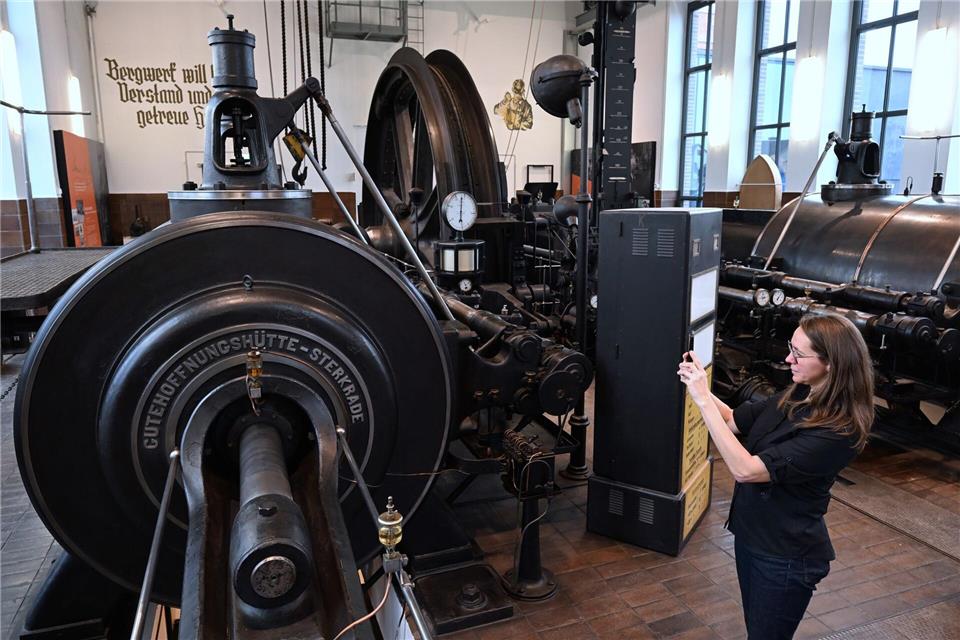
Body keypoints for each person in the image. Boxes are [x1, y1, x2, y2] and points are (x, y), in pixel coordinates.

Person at [677, 314, 874, 640]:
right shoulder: (799, 393)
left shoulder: (840, 430)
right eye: (790, 348)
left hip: (785, 557)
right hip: (752, 535)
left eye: (799, 354)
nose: (788, 359)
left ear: (832, 363)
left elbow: (747, 470)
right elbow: (732, 421)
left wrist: (701, 399)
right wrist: (699, 381)